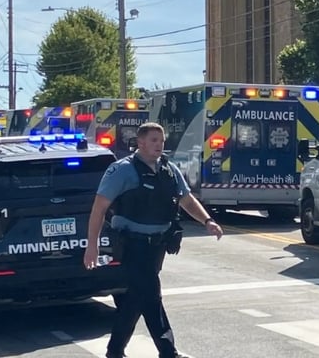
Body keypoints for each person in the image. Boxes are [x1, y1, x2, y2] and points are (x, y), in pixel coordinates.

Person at [84, 122, 223, 358]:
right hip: (132, 244)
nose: (159, 145)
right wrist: (92, 245)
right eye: (154, 140)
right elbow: (99, 208)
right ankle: (168, 352)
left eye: (162, 140)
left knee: (136, 298)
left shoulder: (168, 169)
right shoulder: (122, 170)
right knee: (151, 294)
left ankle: (115, 350)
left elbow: (186, 200)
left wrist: (207, 221)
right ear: (140, 142)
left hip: (158, 245)